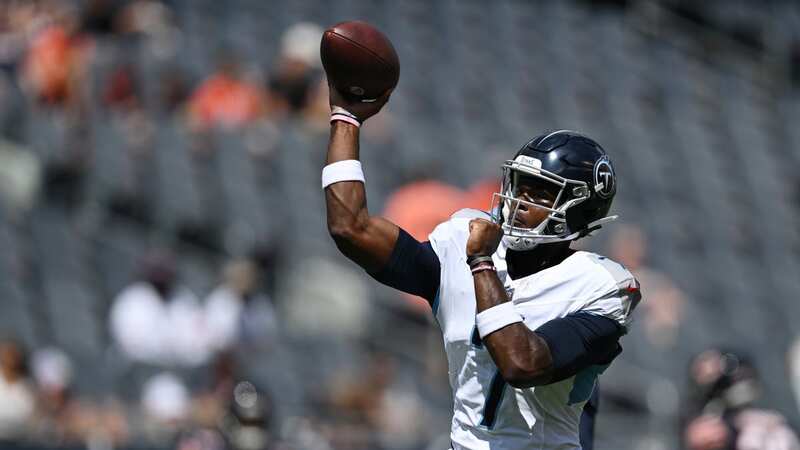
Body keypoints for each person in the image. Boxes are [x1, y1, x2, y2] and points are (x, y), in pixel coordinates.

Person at [322, 86, 641, 449]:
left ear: (580, 210)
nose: (520, 202)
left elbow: (522, 363)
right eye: (520, 186)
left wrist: (482, 263)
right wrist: (346, 119)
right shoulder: (461, 238)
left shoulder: (602, 286)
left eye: (540, 193)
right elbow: (351, 229)